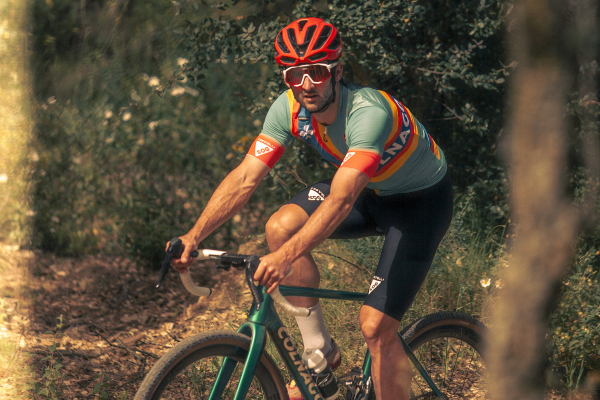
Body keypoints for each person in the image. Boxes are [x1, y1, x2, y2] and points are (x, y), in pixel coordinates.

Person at [171, 17, 453, 400]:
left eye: (317, 72)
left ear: (337, 72)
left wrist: (286, 257)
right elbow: (245, 178)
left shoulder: (368, 112)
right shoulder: (287, 109)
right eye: (294, 75)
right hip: (369, 192)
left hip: (420, 204)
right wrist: (194, 235)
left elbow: (341, 200)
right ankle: (321, 353)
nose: (306, 85)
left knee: (375, 328)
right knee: (280, 227)